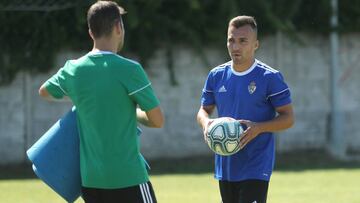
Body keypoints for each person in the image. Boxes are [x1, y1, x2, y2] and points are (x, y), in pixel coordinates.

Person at [38, 1, 164, 202]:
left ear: (90, 32)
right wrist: (131, 111)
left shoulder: (73, 69)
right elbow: (157, 120)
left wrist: (84, 97)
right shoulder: (130, 70)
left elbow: (44, 91)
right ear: (118, 27)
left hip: (91, 182)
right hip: (129, 177)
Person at [197, 16, 294, 203]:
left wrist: (258, 127)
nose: (235, 47)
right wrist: (206, 123)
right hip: (225, 165)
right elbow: (203, 110)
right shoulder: (216, 76)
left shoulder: (270, 77)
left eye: (242, 41)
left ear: (255, 44)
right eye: (231, 40)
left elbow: (288, 118)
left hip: (256, 165)